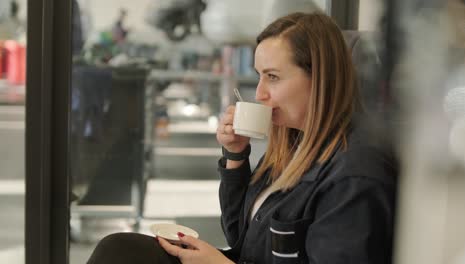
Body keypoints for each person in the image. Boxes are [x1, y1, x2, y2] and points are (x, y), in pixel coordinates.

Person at [87, 12, 398, 264]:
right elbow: (239, 237)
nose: (260, 93)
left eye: (273, 77)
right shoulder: (294, 144)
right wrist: (236, 156)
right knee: (120, 249)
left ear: (321, 79)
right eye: (259, 75)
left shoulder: (354, 175)